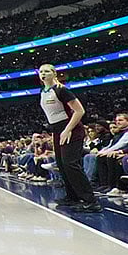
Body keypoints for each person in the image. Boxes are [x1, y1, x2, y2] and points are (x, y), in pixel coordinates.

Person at [37, 63, 100, 212]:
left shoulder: (62, 90)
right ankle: (72, 196)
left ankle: (90, 201)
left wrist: (68, 129)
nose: (43, 74)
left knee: (70, 164)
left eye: (47, 71)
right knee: (62, 164)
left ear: (54, 73)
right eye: (41, 71)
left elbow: (79, 111)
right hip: (57, 130)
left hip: (71, 129)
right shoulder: (43, 91)